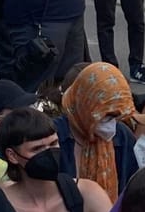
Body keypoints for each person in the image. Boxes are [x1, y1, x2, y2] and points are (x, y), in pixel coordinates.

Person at [57, 62, 140, 201]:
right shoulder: (53, 136)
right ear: (86, 104)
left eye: (116, 117)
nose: (111, 124)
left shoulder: (123, 137)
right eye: (106, 115)